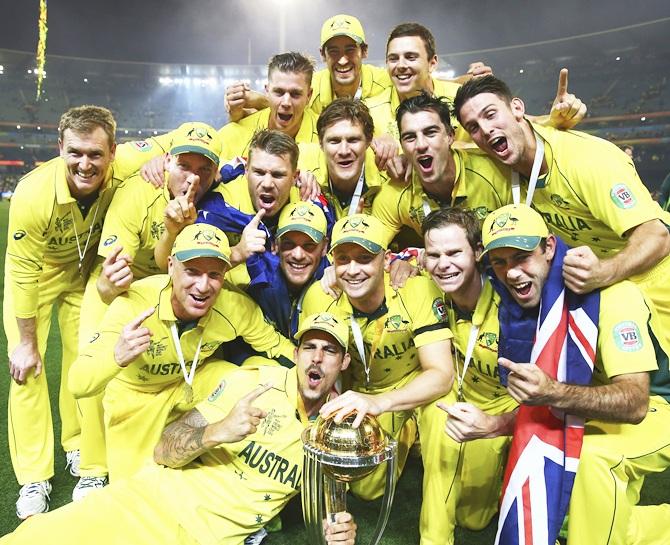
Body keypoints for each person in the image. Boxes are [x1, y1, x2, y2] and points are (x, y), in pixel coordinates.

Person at [1, 312, 357, 545]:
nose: (316, 358)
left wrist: (338, 529)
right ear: (295, 354)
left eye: (329, 350)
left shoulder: (338, 430)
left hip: (208, 537)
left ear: (344, 361)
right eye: (308, 347)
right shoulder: (255, 383)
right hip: (151, 502)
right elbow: (164, 449)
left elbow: (326, 508)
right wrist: (217, 430)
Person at [451, 204, 670, 545]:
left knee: (593, 463)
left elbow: (635, 404)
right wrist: (493, 425)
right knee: (587, 505)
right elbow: (546, 404)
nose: (511, 273)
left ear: (549, 248)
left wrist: (553, 392)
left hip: (656, 407)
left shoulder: (613, 296)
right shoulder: (526, 310)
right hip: (590, 405)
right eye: (500, 261)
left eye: (522, 256)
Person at [454, 74, 670, 353]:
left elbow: (657, 236)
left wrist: (603, 271)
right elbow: (448, 148)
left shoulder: (586, 159)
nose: (485, 129)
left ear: (518, 109)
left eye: (491, 114)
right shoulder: (499, 165)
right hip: (597, 290)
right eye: (473, 126)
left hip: (652, 281)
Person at [68, 223, 295, 481]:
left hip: (191, 385)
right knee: (138, 489)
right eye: (192, 272)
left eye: (214, 274)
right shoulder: (135, 305)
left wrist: (317, 372)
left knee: (252, 377)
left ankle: (245, 472)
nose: (203, 286)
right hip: (138, 400)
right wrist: (116, 356)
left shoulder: (233, 307)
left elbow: (277, 346)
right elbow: (78, 382)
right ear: (170, 267)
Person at [72, 121, 223, 499]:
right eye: (185, 166)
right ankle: (92, 467)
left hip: (171, 288)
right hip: (120, 287)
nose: (194, 177)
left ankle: (171, 442)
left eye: (205, 169)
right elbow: (114, 270)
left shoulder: (216, 200)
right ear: (167, 161)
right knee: (99, 363)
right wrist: (110, 288)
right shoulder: (139, 191)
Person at [3, 105, 124, 519]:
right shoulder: (32, 193)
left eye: (95, 154)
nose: (84, 164)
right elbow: (20, 271)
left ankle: (83, 453)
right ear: (60, 149)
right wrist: (24, 341)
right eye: (74, 153)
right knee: (28, 369)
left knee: (86, 360)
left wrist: (162, 159)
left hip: (85, 274)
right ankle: (34, 477)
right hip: (36, 276)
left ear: (113, 152)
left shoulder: (128, 166)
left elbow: (170, 143)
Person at [301, 213, 455, 505]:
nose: (353, 269)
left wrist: (382, 403)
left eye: (364, 258)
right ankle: (406, 431)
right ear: (332, 262)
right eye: (343, 259)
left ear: (385, 261)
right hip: (364, 390)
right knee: (367, 490)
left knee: (442, 414)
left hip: (416, 383)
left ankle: (420, 431)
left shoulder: (417, 288)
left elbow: (442, 374)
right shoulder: (318, 298)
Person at [420, 208, 517, 545]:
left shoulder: (513, 302)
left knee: (473, 519)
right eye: (433, 255)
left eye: (453, 253)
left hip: (498, 407)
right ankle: (434, 539)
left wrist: (498, 424)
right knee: (434, 411)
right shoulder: (425, 292)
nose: (442, 264)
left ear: (477, 252)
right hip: (453, 396)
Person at [154, 129, 308, 288]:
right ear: (246, 170)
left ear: (294, 177)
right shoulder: (217, 206)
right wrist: (238, 252)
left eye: (278, 175)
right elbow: (175, 267)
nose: (267, 184)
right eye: (259, 172)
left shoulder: (309, 199)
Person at [372, 92, 512, 247]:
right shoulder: (395, 191)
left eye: (430, 132)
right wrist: (404, 260)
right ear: (402, 145)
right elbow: (368, 251)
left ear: (450, 136)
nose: (421, 145)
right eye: (410, 137)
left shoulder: (495, 173)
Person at [313, 97, 389, 218]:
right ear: (321, 143)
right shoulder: (306, 174)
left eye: (353, 140)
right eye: (335, 141)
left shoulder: (389, 180)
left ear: (369, 141)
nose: (344, 151)